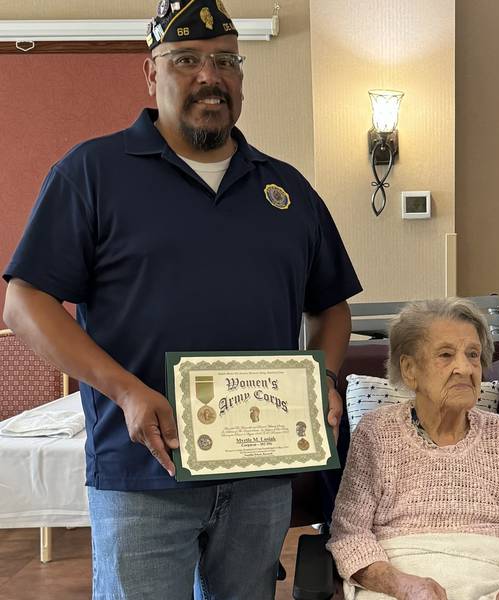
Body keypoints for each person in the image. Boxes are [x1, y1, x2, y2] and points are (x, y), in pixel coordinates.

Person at [2, 1, 361, 598]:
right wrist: (124, 390)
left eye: (225, 61)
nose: (208, 75)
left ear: (241, 79)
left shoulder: (287, 190)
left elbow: (330, 305)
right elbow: (25, 302)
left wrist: (320, 376)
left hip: (259, 473)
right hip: (142, 474)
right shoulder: (91, 173)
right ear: (151, 72)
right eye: (186, 59)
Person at [328, 298, 499, 600]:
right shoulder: (376, 433)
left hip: (493, 585)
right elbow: (349, 535)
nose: (465, 367)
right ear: (410, 370)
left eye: (473, 355)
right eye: (446, 355)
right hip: (398, 587)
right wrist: (404, 586)